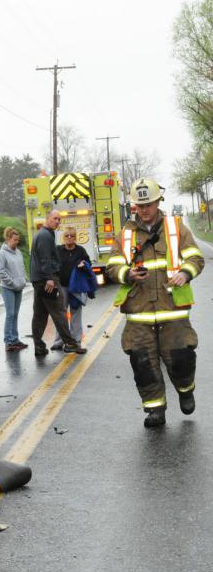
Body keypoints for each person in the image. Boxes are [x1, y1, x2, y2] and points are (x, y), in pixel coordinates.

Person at [105, 178, 204, 428]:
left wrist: (186, 272)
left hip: (173, 311)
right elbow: (112, 266)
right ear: (134, 206)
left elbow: (195, 257)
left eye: (148, 203)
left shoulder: (176, 228)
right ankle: (155, 410)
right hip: (139, 316)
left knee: (181, 360)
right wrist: (126, 274)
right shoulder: (125, 235)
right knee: (143, 365)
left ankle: (185, 389)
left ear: (158, 201)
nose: (144, 209)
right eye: (140, 205)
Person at [30, 210, 87, 356]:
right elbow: (45, 258)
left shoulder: (43, 234)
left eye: (59, 219)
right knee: (59, 312)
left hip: (38, 280)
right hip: (47, 280)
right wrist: (49, 278)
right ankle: (70, 343)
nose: (57, 221)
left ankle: (39, 346)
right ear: (47, 218)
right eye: (55, 218)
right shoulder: (45, 236)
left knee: (40, 314)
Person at [51, 226, 91, 350]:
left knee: (76, 313)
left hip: (76, 287)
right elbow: (51, 264)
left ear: (75, 238)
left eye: (72, 236)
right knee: (60, 314)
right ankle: (59, 341)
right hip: (61, 286)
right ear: (63, 237)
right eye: (67, 235)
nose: (69, 238)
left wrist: (83, 265)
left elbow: (88, 265)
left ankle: (76, 340)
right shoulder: (58, 250)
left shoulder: (81, 251)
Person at [0, 227, 28, 351]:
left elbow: (22, 266)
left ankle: (15, 339)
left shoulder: (18, 252)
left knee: (15, 314)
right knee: (10, 314)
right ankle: (8, 341)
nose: (17, 242)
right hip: (8, 288)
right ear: (8, 239)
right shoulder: (2, 253)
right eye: (15, 240)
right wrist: (12, 282)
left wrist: (23, 279)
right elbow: (0, 271)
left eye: (18, 240)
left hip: (18, 287)